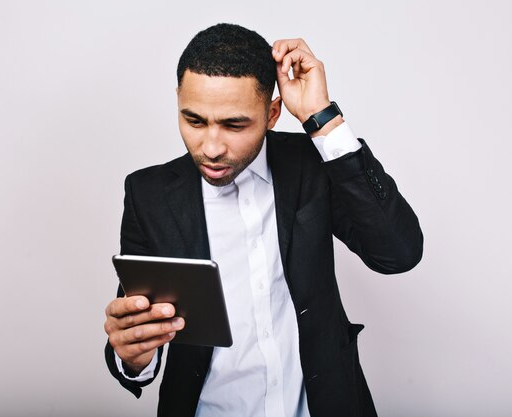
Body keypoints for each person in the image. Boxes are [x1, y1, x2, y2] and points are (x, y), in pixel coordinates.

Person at [103, 23, 423, 417]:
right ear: (178, 103)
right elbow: (137, 323)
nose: (212, 147)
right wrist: (133, 356)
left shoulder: (313, 165)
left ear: (272, 114)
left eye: (235, 124)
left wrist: (323, 120)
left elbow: (399, 253)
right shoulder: (147, 195)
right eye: (195, 120)